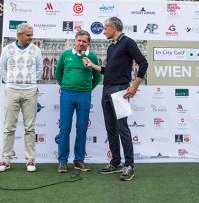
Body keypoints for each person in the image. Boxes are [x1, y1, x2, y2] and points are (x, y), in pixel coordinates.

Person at [85, 17, 148, 181]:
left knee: (122, 128)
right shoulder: (111, 46)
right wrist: (92, 65)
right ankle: (115, 162)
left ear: (113, 28)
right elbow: (108, 71)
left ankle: (129, 165)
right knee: (110, 128)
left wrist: (135, 86)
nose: (103, 31)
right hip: (106, 89)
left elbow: (143, 63)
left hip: (120, 89)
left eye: (105, 28)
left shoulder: (128, 42)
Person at [0, 22, 43, 173]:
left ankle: (30, 160)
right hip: (12, 91)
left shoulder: (36, 50)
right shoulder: (7, 49)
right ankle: (5, 160)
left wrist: (30, 82)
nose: (31, 37)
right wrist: (11, 81)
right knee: (9, 127)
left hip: (30, 91)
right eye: (28, 35)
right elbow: (1, 69)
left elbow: (39, 70)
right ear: (19, 35)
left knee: (30, 128)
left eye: (31, 35)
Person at [55, 30, 102, 174]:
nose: (81, 43)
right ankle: (62, 161)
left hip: (84, 95)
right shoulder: (66, 55)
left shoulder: (92, 56)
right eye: (79, 40)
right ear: (75, 41)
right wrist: (65, 85)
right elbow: (58, 72)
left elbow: (98, 76)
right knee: (64, 127)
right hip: (67, 94)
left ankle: (79, 160)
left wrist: (88, 88)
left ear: (88, 43)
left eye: (84, 41)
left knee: (82, 128)